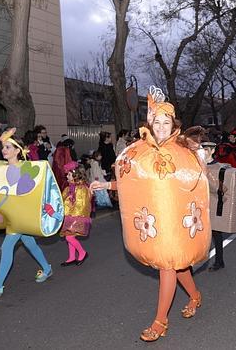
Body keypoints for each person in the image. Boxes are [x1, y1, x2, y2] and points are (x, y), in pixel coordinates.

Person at [91, 88, 210, 342]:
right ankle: (196, 295)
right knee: (176, 264)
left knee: (169, 265)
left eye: (167, 122)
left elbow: (197, 180)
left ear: (173, 124)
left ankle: (160, 320)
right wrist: (107, 185)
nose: (162, 127)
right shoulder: (140, 151)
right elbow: (134, 181)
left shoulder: (183, 150)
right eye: (158, 122)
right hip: (156, 220)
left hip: (178, 220)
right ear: (150, 124)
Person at [0, 129, 53, 297]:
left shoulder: (26, 168)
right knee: (30, 243)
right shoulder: (0, 168)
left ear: (18, 150)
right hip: (10, 216)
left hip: (19, 217)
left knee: (7, 246)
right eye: (3, 147)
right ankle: (47, 268)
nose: (4, 150)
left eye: (8, 147)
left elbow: (34, 192)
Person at [59, 161, 92, 267]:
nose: (66, 176)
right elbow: (62, 200)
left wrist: (73, 216)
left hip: (76, 217)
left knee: (69, 237)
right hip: (68, 215)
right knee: (68, 236)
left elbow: (81, 204)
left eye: (68, 174)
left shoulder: (82, 188)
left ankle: (82, 252)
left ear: (75, 175)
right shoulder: (69, 188)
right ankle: (72, 257)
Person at [202, 141, 226, 271]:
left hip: (214, 204)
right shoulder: (197, 165)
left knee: (216, 234)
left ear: (212, 151)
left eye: (206, 149)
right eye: (202, 149)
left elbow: (221, 188)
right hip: (200, 204)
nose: (203, 152)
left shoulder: (218, 167)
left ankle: (219, 261)